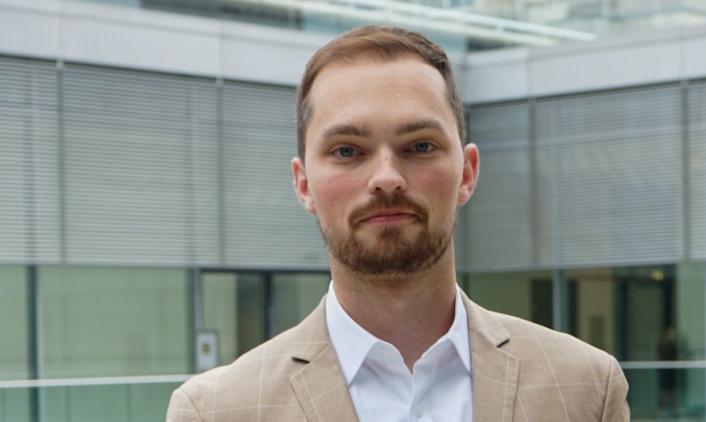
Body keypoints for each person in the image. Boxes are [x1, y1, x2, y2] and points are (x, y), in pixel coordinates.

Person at [166, 25, 629, 422]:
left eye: (420, 146)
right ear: (303, 183)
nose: (386, 178)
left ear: (467, 172)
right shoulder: (218, 412)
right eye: (347, 150)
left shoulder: (585, 387)